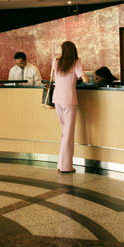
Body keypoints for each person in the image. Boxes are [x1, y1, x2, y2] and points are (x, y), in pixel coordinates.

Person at [52, 41, 88, 173]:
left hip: (57, 99)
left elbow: (54, 78)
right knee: (68, 133)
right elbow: (84, 78)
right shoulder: (75, 62)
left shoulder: (56, 62)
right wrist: (86, 78)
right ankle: (66, 166)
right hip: (69, 100)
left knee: (64, 132)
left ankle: (61, 164)